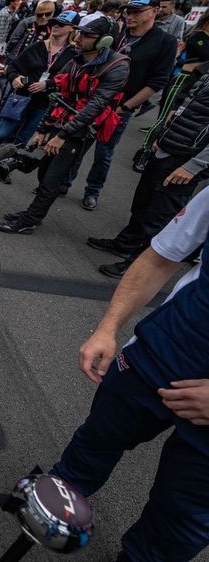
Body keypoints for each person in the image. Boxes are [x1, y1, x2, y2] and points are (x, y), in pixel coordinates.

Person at [50, 188, 209, 562]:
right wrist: (108, 326)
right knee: (95, 442)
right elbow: (159, 258)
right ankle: (54, 503)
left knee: (179, 521)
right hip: (160, 352)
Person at [0, 16, 129, 235]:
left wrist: (63, 135)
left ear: (104, 40)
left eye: (87, 35)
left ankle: (30, 220)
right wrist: (43, 129)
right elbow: (58, 95)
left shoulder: (117, 66)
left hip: (81, 128)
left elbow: (95, 106)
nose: (80, 38)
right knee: (44, 170)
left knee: (53, 177)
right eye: (81, 33)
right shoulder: (78, 58)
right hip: (63, 119)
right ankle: (32, 213)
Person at [87, 61, 209, 278]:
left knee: (160, 216)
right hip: (170, 144)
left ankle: (138, 266)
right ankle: (126, 243)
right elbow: (184, 107)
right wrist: (162, 135)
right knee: (143, 202)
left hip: (187, 157)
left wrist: (195, 166)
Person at [69, 0, 178, 210]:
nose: (130, 16)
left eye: (137, 12)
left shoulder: (165, 41)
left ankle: (92, 191)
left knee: (104, 152)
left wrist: (125, 107)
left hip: (120, 108)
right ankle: (63, 181)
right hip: (92, 100)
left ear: (154, 11)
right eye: (128, 11)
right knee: (76, 143)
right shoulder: (116, 33)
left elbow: (157, 81)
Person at [0, 10, 78, 166]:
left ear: (71, 28)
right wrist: (14, 78)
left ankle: (2, 166)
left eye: (61, 24)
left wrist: (48, 84)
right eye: (54, 23)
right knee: (0, 135)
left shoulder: (73, 54)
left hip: (43, 104)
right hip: (21, 97)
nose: (56, 26)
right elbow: (11, 68)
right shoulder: (38, 46)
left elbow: (70, 80)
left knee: (22, 140)